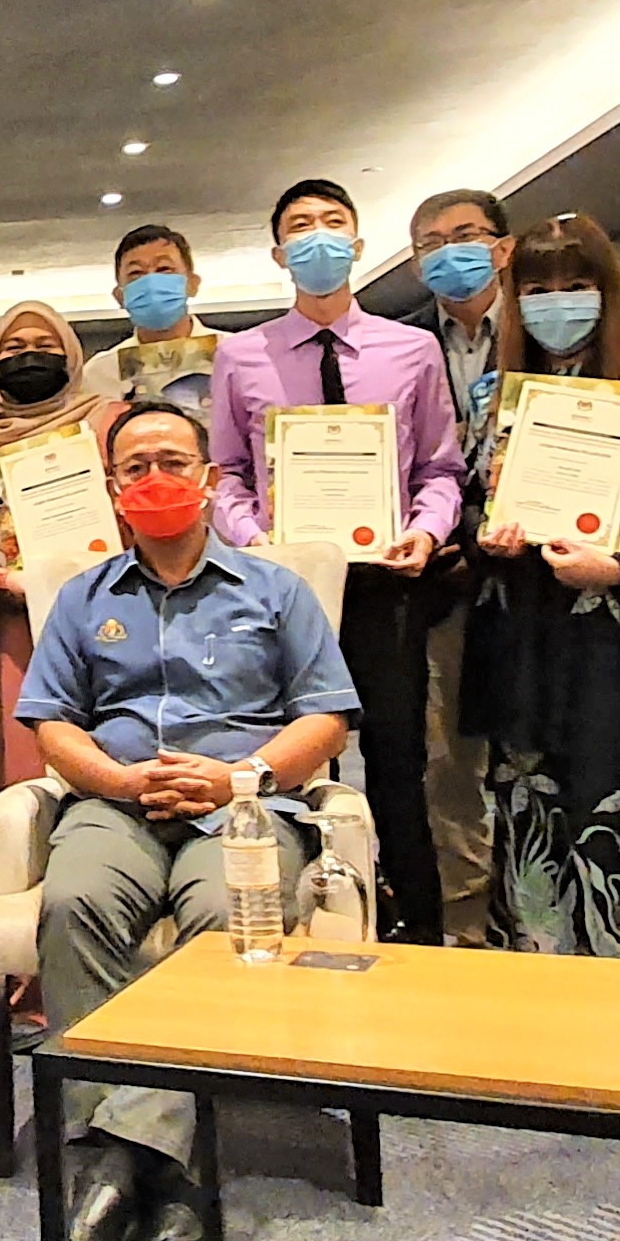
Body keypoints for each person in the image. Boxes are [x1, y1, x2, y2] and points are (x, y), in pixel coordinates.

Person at [20, 399, 357, 1241]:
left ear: (210, 478)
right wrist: (125, 785)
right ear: (114, 492)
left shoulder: (275, 590)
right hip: (118, 803)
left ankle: (118, 1174)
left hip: (240, 806)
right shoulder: (84, 599)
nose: (155, 480)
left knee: (223, 924)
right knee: (73, 903)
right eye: (135, 469)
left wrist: (237, 777)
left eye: (173, 461)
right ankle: (167, 1179)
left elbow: (326, 716)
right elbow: (51, 722)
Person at [204, 180, 467, 944]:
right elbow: (224, 473)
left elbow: (441, 470)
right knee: (292, 759)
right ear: (281, 253)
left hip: (386, 587)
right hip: (282, 594)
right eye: (300, 228)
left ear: (355, 244)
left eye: (333, 225)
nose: (317, 238)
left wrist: (425, 531)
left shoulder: (412, 349)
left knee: (397, 765)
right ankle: (307, 920)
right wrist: (256, 544)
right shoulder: (240, 354)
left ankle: (418, 930)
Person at [461, 215, 620, 955]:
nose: (557, 303)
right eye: (537, 289)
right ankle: (539, 971)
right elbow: (467, 499)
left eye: (575, 286)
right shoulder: (492, 396)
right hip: (525, 635)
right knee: (527, 807)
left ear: (607, 291)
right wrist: (487, 533)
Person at [392, 188, 512, 943]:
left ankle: (540, 915)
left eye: (466, 236)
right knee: (446, 759)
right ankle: (464, 925)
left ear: (503, 247)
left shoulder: (546, 338)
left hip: (544, 578)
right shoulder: (401, 347)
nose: (450, 252)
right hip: (436, 579)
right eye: (432, 242)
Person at [0, 302, 114, 794]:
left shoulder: (109, 424)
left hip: (116, 619)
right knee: (19, 780)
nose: (30, 357)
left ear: (71, 357)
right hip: (14, 631)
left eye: (45, 347)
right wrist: (2, 582)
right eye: (14, 349)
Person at [75, 224, 219, 411]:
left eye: (164, 268)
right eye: (136, 273)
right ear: (120, 296)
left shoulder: (235, 353)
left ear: (192, 284)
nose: (151, 282)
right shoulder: (98, 374)